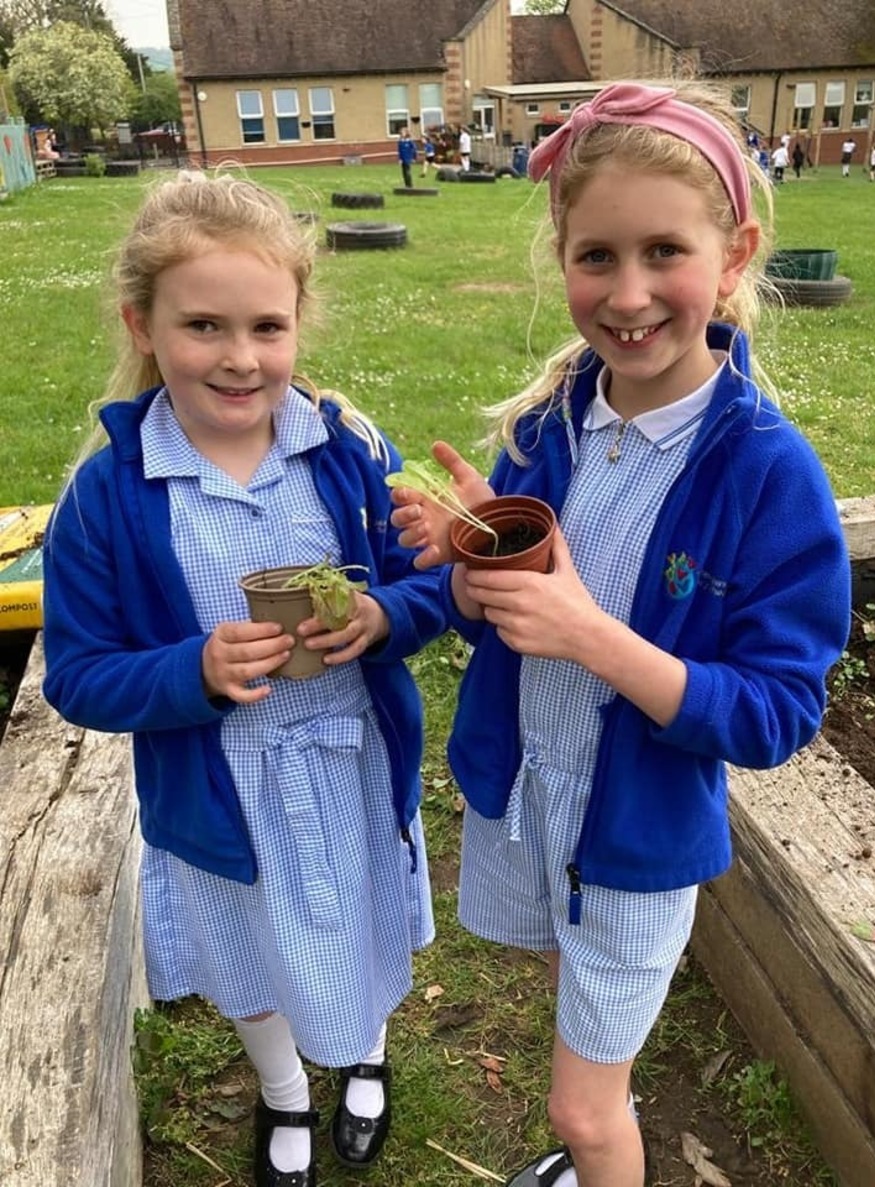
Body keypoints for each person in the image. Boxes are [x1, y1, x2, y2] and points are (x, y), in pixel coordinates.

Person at [390, 80, 850, 1187]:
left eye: (663, 252)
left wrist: (593, 635)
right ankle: (605, 1090)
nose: (628, 292)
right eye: (596, 256)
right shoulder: (551, 424)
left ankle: (597, 1141)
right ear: (561, 254)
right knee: (578, 1002)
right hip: (539, 797)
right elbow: (490, 607)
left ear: (732, 253)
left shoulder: (764, 473)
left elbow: (775, 712)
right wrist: (459, 566)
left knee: (582, 1112)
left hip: (636, 839)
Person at [41, 171, 446, 1187]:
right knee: (248, 953)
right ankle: (282, 1094)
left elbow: (430, 586)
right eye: (203, 325)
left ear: (298, 321)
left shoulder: (346, 453)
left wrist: (384, 614)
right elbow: (81, 677)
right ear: (143, 323)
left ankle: (364, 1056)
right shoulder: (110, 494)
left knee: (356, 922)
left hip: (347, 762)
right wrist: (194, 669)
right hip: (218, 788)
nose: (238, 356)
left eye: (266, 325)